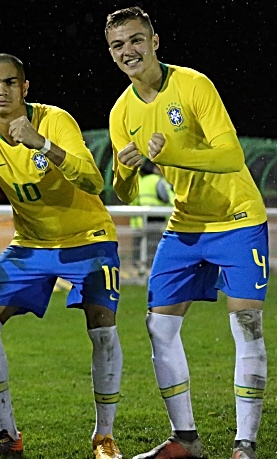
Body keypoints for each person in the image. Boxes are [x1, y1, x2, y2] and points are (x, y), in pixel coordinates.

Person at [0, 54, 124, 459]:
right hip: (31, 244)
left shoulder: (55, 120)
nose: (1, 91)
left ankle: (104, 436)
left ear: (25, 87)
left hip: (87, 238)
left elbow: (93, 180)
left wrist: (44, 145)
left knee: (103, 330)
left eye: (9, 83)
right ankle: (7, 433)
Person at [105, 7, 267, 459]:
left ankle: (245, 445)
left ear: (155, 41)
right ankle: (186, 440)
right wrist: (125, 167)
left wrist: (171, 151)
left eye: (136, 40)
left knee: (246, 324)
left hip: (236, 218)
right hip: (185, 224)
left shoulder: (193, 85)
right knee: (159, 325)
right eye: (118, 45)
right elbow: (121, 190)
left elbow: (232, 156)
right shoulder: (122, 112)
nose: (128, 51)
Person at [129, 160, 174, 275]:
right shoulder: (158, 181)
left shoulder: (140, 180)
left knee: (141, 248)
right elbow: (167, 198)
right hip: (157, 218)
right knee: (154, 247)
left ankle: (140, 269)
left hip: (138, 219)